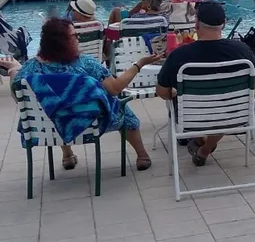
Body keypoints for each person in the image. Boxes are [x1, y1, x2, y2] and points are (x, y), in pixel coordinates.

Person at [0, 18, 157, 170]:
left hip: (48, 125)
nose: (78, 38)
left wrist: (13, 70)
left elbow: (17, 96)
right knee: (121, 106)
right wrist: (139, 64)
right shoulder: (85, 63)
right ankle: (142, 155)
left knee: (55, 106)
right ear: (62, 42)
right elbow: (115, 89)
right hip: (91, 121)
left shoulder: (31, 67)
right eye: (74, 35)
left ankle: (67, 155)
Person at [156, 2, 255, 165]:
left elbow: (162, 92)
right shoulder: (242, 50)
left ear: (196, 23)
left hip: (192, 119)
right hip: (235, 116)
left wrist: (175, 93)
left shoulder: (179, 55)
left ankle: (201, 141)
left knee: (181, 98)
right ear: (223, 24)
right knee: (222, 103)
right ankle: (203, 149)